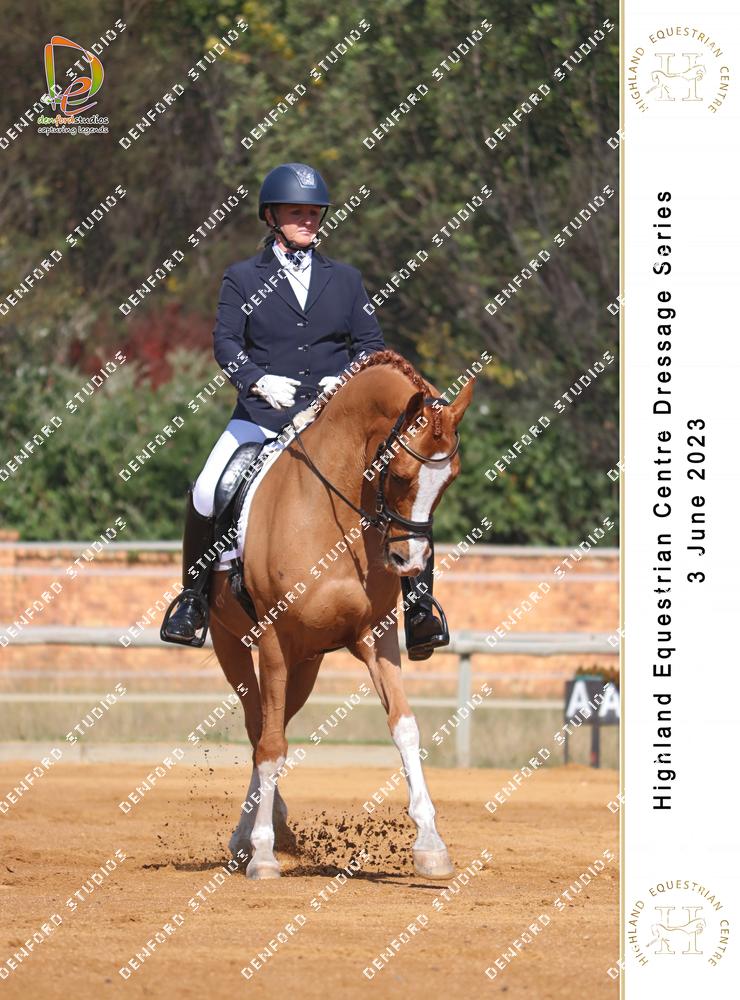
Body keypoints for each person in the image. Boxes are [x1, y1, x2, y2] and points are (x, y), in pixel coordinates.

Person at [160, 161, 447, 659]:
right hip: (261, 417)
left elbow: (371, 345)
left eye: (314, 213)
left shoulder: (345, 279)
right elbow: (226, 343)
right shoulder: (242, 278)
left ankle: (420, 606)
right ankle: (193, 600)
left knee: (403, 484)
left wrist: (348, 378)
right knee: (207, 489)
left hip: (332, 424)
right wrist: (257, 380)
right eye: (297, 213)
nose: (308, 221)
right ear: (271, 216)